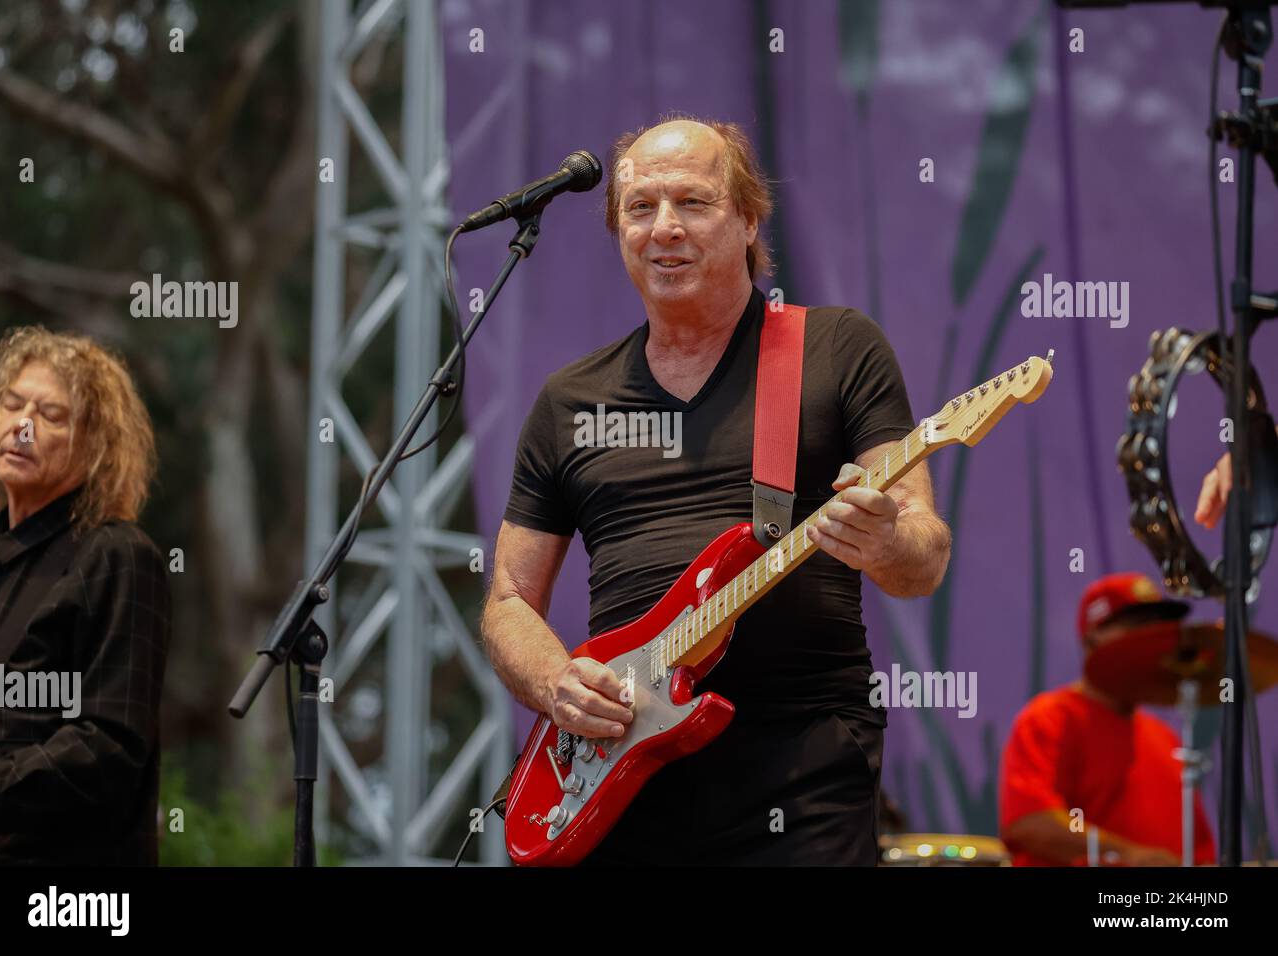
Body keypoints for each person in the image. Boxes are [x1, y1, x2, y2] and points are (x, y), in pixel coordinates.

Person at [481, 116, 951, 865]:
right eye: (641, 208)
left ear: (748, 220)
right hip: (622, 774)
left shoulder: (835, 349)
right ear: (618, 232)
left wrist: (886, 539)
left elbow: (923, 557)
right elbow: (508, 598)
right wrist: (554, 681)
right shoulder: (569, 401)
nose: (665, 227)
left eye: (694, 204)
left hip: (801, 768)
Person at [0, 326, 171, 865]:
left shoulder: (118, 557)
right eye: (11, 404)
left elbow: (106, 747)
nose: (21, 425)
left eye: (50, 415)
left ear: (95, 446)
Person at [998, 572, 1216, 866]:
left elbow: (1199, 852)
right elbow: (1029, 822)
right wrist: (1128, 855)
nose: (1151, 643)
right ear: (1092, 640)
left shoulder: (1166, 739)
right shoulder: (1049, 719)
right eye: (1136, 629)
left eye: (1157, 631)